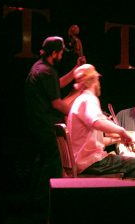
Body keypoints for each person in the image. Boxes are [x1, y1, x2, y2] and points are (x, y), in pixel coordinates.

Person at [24, 36, 85, 222]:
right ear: (54, 53)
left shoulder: (40, 68)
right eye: (60, 52)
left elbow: (56, 85)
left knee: (41, 162)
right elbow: (57, 103)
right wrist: (78, 115)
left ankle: (35, 203)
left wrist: (75, 70)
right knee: (52, 164)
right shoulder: (46, 72)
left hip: (36, 124)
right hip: (45, 125)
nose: (61, 56)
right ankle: (44, 205)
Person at [67, 64, 135, 178]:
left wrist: (118, 139)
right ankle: (126, 195)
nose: (99, 84)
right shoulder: (88, 99)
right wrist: (122, 131)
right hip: (90, 162)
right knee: (134, 163)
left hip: (82, 161)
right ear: (93, 80)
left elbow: (95, 142)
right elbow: (97, 122)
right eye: (97, 79)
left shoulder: (80, 100)